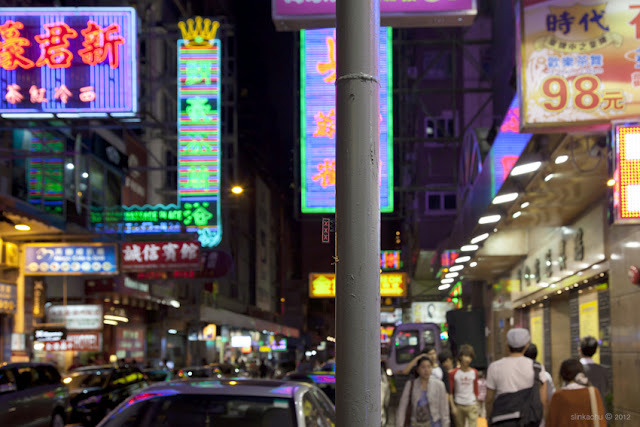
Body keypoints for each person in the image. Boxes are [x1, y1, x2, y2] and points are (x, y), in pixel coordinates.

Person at [485, 328, 547, 427]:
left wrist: (489, 418)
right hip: (528, 419)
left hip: (501, 419)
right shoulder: (537, 367)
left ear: (507, 345)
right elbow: (543, 400)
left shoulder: (494, 367)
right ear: (527, 345)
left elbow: (489, 399)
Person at [546, 358, 605, 427]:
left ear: (563, 375)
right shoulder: (593, 392)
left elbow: (551, 423)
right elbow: (600, 420)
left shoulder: (558, 396)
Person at [397, 356, 451, 427]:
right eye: (423, 367)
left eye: (429, 367)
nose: (426, 370)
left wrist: (445, 424)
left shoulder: (439, 385)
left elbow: (444, 409)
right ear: (418, 369)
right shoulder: (410, 385)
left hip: (434, 423)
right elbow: (402, 407)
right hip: (415, 423)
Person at [448, 344, 479, 427]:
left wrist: (477, 404)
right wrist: (453, 407)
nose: (468, 359)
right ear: (461, 356)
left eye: (470, 357)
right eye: (466, 356)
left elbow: (476, 389)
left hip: (471, 404)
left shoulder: (474, 372)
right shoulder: (453, 373)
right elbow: (450, 391)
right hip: (459, 404)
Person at [579, 336, 609, 410]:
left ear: (580, 350)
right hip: (599, 413)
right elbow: (606, 391)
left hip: (579, 415)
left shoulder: (575, 370)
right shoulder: (603, 370)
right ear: (595, 351)